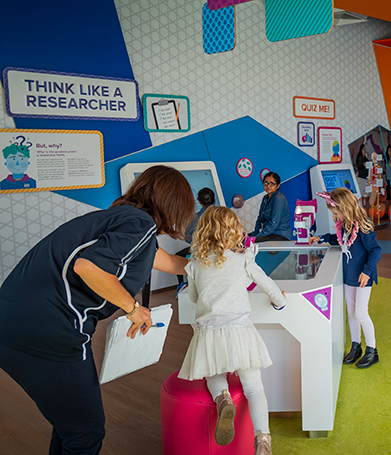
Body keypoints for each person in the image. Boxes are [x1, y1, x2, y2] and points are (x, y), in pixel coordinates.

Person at [0, 164, 193, 454]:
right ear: (175, 205)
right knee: (86, 432)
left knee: (71, 425)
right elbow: (87, 266)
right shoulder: (140, 225)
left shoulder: (120, 220)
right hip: (51, 332)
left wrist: (214, 265)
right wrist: (133, 308)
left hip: (13, 322)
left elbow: (171, 263)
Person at [177, 206, 287, 455]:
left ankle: (222, 398)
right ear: (233, 229)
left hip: (209, 333)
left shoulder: (195, 264)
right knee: (254, 387)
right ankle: (263, 441)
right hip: (240, 330)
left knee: (212, 372)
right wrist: (279, 302)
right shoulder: (243, 258)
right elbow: (267, 283)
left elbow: (194, 297)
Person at [316, 188, 384, 369]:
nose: (334, 215)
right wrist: (321, 238)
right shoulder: (345, 224)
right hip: (349, 276)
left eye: (335, 211)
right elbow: (340, 240)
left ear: (345, 207)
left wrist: (368, 271)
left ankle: (372, 350)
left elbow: (375, 250)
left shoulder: (363, 225)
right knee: (352, 313)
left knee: (361, 312)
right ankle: (356, 346)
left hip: (363, 277)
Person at [248, 172, 292, 242]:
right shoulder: (265, 198)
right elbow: (259, 219)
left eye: (272, 184)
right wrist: (254, 235)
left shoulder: (279, 199)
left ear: (278, 186)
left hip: (279, 234)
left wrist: (257, 237)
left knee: (251, 241)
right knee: (243, 238)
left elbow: (274, 223)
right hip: (268, 233)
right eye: (266, 183)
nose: (268, 186)